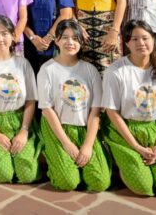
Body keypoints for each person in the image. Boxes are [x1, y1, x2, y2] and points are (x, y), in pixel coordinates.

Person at [102, 20, 156, 198]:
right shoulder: (115, 71)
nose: (141, 43)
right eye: (134, 39)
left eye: (145, 38)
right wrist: (136, 146)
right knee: (143, 187)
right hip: (124, 130)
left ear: (153, 40)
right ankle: (120, 159)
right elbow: (112, 112)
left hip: (152, 130)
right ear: (126, 43)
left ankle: (147, 160)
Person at [36, 19, 110, 193]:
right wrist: (67, 144)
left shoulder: (90, 70)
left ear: (81, 42)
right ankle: (59, 162)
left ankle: (94, 160)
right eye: (65, 37)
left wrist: (88, 145)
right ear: (56, 41)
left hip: (85, 128)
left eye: (75, 38)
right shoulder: (47, 69)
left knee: (99, 183)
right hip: (57, 128)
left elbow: (95, 112)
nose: (70, 42)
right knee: (67, 182)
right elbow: (47, 109)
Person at [0, 15, 41, 184]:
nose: (0, 39)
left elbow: (31, 101)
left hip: (20, 120)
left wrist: (24, 131)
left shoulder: (23, 64)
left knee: (27, 175)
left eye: (4, 34)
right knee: (2, 175)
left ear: (13, 36)